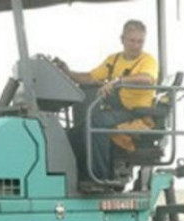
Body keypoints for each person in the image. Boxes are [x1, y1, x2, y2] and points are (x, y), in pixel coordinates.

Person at [55, 19, 158, 180]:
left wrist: (119, 81)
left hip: (136, 113)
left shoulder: (148, 60)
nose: (136, 45)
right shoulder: (114, 60)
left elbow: (147, 79)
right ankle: (78, 175)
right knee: (76, 131)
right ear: (122, 39)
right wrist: (67, 72)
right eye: (132, 40)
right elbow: (89, 77)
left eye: (140, 41)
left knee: (97, 123)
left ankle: (99, 177)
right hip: (117, 110)